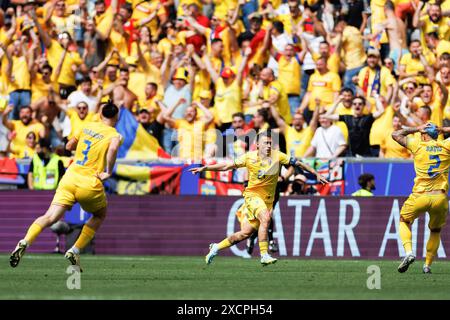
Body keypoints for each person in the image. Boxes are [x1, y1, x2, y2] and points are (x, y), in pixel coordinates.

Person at [10, 101, 123, 271]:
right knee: (99, 215)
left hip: (70, 177)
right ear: (117, 117)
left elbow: (69, 146)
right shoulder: (115, 135)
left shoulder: (87, 126)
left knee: (49, 217)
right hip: (89, 182)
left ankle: (25, 241)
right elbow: (113, 148)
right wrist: (108, 171)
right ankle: (75, 250)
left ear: (100, 115)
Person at [189, 130, 328, 266]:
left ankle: (216, 247)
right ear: (257, 145)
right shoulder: (249, 157)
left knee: (244, 234)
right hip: (252, 196)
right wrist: (204, 168)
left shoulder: (277, 156)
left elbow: (298, 163)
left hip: (267, 200)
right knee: (266, 218)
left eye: (270, 143)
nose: (268, 146)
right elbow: (226, 166)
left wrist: (316, 174)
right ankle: (264, 255)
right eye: (265, 143)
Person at [391, 122, 450, 274]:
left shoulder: (417, 145)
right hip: (440, 198)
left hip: (420, 196)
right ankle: (427, 265)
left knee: (404, 221)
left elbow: (396, 134)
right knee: (435, 231)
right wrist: (444, 129)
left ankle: (409, 252)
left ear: (424, 135)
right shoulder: (446, 146)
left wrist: (416, 128)